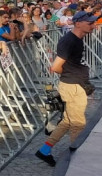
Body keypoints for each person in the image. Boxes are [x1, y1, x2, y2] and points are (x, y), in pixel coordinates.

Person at [37, 10, 97, 166]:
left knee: (68, 121)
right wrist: (74, 76)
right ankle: (77, 161)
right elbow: (55, 67)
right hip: (72, 86)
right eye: (90, 23)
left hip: (74, 84)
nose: (93, 25)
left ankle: (44, 150)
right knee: (78, 123)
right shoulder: (69, 41)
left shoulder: (77, 39)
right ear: (78, 23)